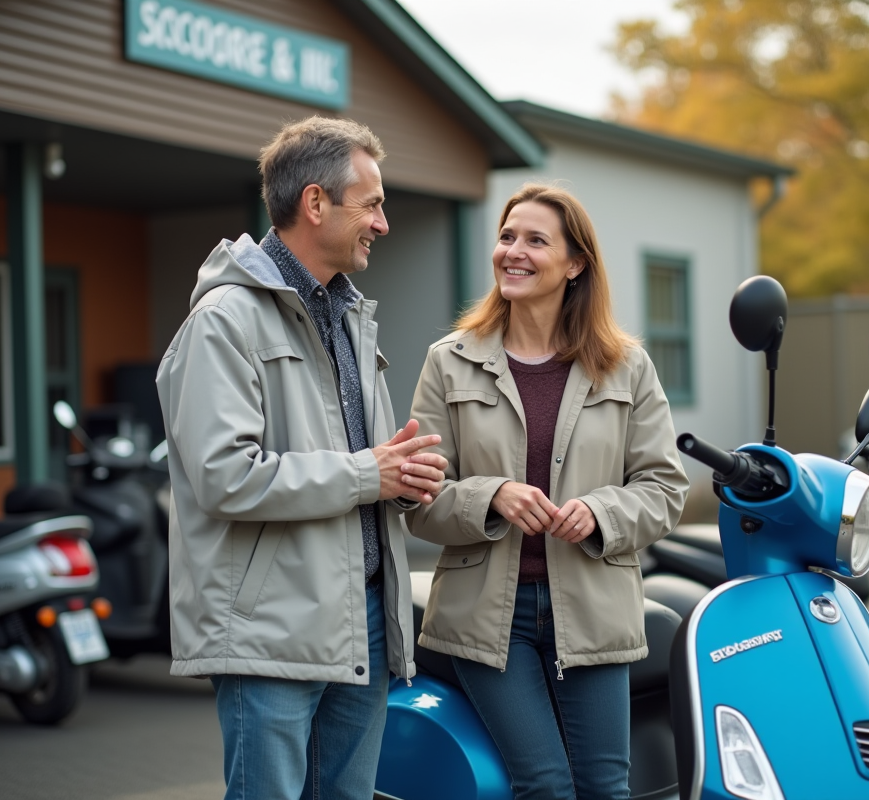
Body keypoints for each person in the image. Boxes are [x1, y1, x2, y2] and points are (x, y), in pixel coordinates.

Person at [155, 116, 448, 800]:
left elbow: (361, 469)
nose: (382, 224)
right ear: (315, 203)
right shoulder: (223, 322)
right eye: (371, 204)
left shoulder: (350, 317)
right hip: (272, 633)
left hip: (363, 624)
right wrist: (369, 474)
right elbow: (226, 478)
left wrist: (401, 479)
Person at [404, 184, 690, 799]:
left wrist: (601, 511)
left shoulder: (626, 366)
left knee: (606, 786)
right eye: (507, 236)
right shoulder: (448, 362)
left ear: (575, 264)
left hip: (593, 609)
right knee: (545, 785)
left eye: (536, 240)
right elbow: (418, 503)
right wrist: (490, 497)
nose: (514, 251)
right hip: (488, 616)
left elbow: (665, 488)